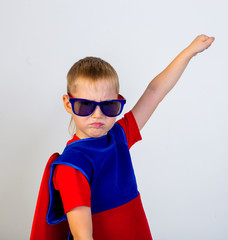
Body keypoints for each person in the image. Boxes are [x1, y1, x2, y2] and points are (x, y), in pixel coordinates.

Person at [31, 34, 215, 240]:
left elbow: (154, 92)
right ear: (68, 103)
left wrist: (189, 52)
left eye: (108, 106)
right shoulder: (72, 166)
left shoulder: (118, 136)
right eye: (85, 105)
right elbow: (83, 236)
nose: (97, 114)